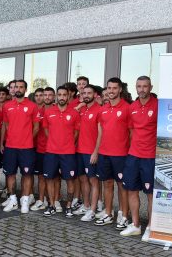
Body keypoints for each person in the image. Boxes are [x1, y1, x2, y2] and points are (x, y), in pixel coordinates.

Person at [121, 76, 158, 239]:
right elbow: (130, 130)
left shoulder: (158, 105)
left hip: (150, 156)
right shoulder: (132, 107)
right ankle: (135, 225)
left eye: (145, 86)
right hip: (133, 155)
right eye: (139, 86)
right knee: (131, 190)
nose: (141, 89)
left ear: (150, 87)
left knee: (151, 194)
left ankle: (150, 227)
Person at [94, 77, 131, 229]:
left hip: (121, 154)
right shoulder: (102, 109)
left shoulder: (127, 108)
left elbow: (131, 133)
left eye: (114, 88)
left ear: (120, 90)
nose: (111, 91)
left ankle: (123, 215)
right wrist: (96, 151)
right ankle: (109, 214)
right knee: (107, 184)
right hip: (104, 153)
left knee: (122, 186)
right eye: (109, 88)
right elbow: (100, 133)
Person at [0, 79, 39, 213]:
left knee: (27, 175)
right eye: (16, 87)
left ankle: (25, 201)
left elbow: (36, 127)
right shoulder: (7, 106)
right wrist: (4, 141)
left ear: (25, 90)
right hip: (11, 146)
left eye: (21, 87)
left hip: (27, 148)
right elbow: (6, 125)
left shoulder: (33, 106)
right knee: (10, 174)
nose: (18, 89)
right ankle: (12, 200)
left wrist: (26, 138)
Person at [42, 86, 80, 216]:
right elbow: (46, 129)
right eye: (60, 95)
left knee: (70, 180)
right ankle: (51, 204)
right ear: (57, 96)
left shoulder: (74, 113)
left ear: (68, 96)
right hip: (51, 152)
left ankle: (68, 206)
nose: (62, 97)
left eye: (65, 95)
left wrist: (67, 143)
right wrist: (54, 141)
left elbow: (76, 132)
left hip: (68, 153)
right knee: (50, 179)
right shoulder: (49, 112)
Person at [75, 85, 102, 222]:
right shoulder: (82, 109)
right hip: (79, 150)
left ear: (95, 94)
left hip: (90, 152)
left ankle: (92, 210)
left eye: (89, 93)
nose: (86, 95)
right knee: (82, 179)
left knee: (93, 181)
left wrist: (95, 152)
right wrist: (78, 107)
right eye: (84, 93)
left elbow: (100, 134)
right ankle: (85, 206)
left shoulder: (99, 110)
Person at [32, 87, 55, 212]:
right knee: (41, 176)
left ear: (54, 97)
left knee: (54, 177)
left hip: (55, 150)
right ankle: (41, 200)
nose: (46, 97)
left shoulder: (58, 110)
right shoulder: (38, 111)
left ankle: (54, 201)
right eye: (44, 95)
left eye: (49, 95)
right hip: (40, 149)